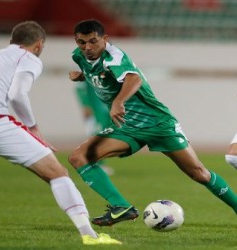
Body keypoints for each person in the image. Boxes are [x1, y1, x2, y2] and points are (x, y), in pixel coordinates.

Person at [0, 21, 121, 245]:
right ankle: (89, 235)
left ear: (11, 41)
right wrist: (32, 128)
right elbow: (17, 95)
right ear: (39, 45)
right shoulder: (28, 58)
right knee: (57, 173)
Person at [68, 19, 237, 227]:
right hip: (128, 127)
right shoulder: (79, 57)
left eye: (93, 41)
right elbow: (99, 74)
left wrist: (118, 101)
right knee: (79, 157)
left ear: (105, 39)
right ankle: (121, 206)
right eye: (82, 42)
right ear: (76, 41)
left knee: (199, 173)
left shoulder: (115, 56)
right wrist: (82, 76)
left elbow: (134, 78)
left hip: (158, 123)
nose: (88, 47)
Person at [74, 81, 114, 175]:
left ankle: (97, 163)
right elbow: (79, 88)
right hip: (95, 111)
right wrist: (85, 104)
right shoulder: (87, 70)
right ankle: (94, 164)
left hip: (106, 111)